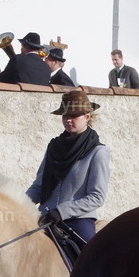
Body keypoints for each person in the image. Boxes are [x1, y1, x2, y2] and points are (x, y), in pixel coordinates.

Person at [26, 90, 110, 263]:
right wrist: (18, 203)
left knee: (91, 261)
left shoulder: (98, 152)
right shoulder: (54, 146)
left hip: (77, 220)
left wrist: (61, 211)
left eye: (74, 115)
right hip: (44, 218)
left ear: (87, 116)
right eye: (65, 115)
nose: (68, 119)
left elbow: (96, 197)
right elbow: (39, 186)